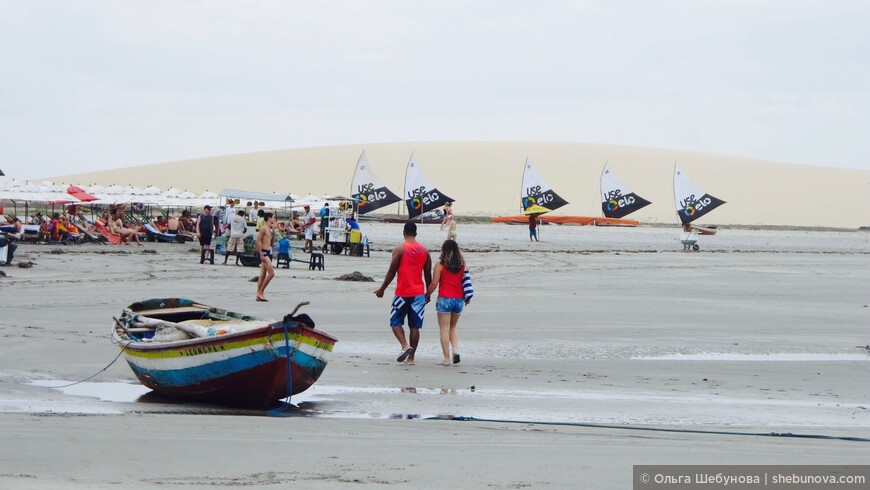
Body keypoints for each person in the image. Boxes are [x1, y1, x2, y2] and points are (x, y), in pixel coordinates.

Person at [374, 222, 432, 364]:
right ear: (416, 234)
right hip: (418, 293)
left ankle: (405, 345)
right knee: (415, 326)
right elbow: (428, 275)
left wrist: (382, 289)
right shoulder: (425, 251)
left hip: (402, 292)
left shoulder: (399, 250)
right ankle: (411, 358)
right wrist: (428, 294)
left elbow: (392, 272)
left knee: (395, 322)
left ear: (404, 233)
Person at [425, 240, 470, 365]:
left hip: (444, 299)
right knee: (453, 327)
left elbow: (434, 284)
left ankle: (446, 358)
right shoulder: (463, 265)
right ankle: (455, 351)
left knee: (444, 329)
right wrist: (467, 297)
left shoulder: (440, 264)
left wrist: (426, 295)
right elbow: (466, 282)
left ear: (443, 250)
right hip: (459, 300)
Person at [255, 212, 276, 302]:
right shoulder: (263, 228)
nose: (274, 220)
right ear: (269, 218)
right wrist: (261, 254)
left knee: (263, 275)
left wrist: (274, 232)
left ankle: (258, 294)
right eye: (273, 218)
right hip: (263, 252)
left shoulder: (269, 229)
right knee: (271, 273)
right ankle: (260, 292)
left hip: (268, 251)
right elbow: (258, 241)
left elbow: (271, 243)